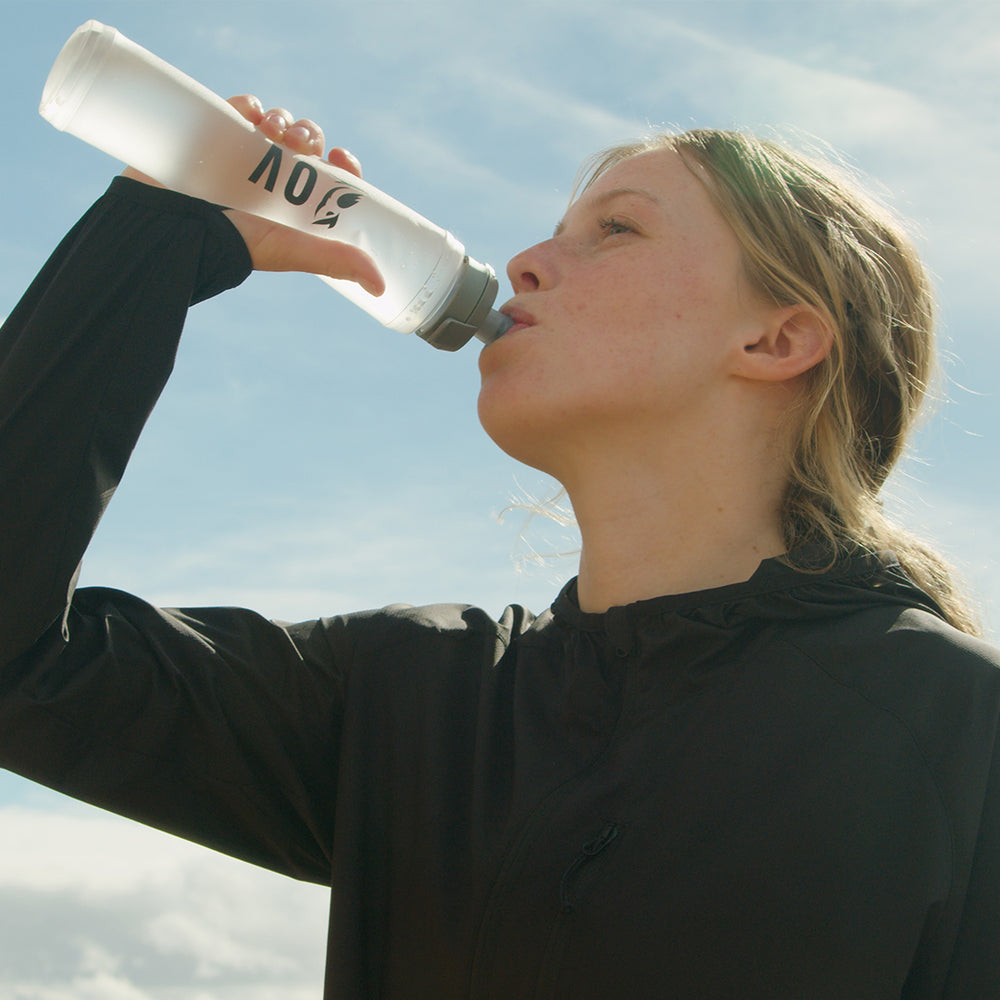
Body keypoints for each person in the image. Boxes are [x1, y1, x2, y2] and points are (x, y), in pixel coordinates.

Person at [1, 94, 998, 999]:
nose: (526, 260)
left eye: (615, 229)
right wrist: (156, 236)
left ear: (777, 341)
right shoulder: (410, 696)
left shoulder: (957, 728)